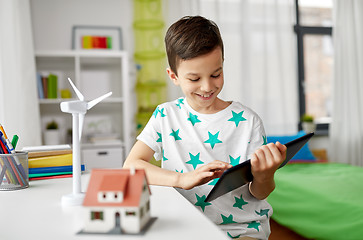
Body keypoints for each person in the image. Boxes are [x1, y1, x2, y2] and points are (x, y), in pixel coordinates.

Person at [123, 15, 287, 240]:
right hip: (185, 228)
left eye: (215, 74)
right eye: (194, 78)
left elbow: (260, 192)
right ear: (174, 76)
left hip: (242, 229)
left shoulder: (249, 121)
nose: (207, 86)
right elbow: (131, 166)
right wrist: (181, 179)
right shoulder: (165, 115)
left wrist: (265, 175)